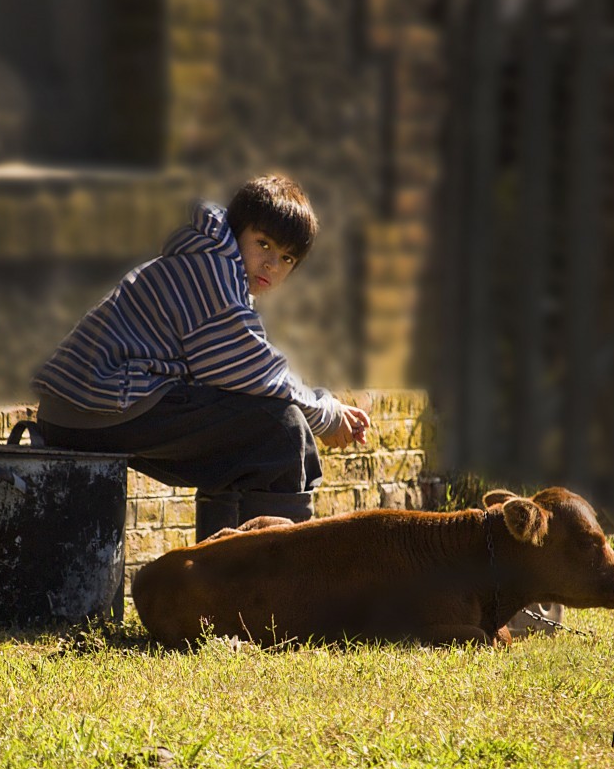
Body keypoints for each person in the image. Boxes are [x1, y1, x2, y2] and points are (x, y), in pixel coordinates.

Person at [31, 174, 371, 542]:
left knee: (246, 441)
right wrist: (325, 414)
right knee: (281, 433)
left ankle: (217, 585)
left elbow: (241, 378)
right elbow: (255, 372)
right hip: (102, 404)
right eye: (263, 244)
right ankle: (271, 590)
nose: (272, 264)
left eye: (286, 257)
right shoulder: (212, 269)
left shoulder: (214, 266)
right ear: (237, 231)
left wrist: (326, 407)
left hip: (91, 408)